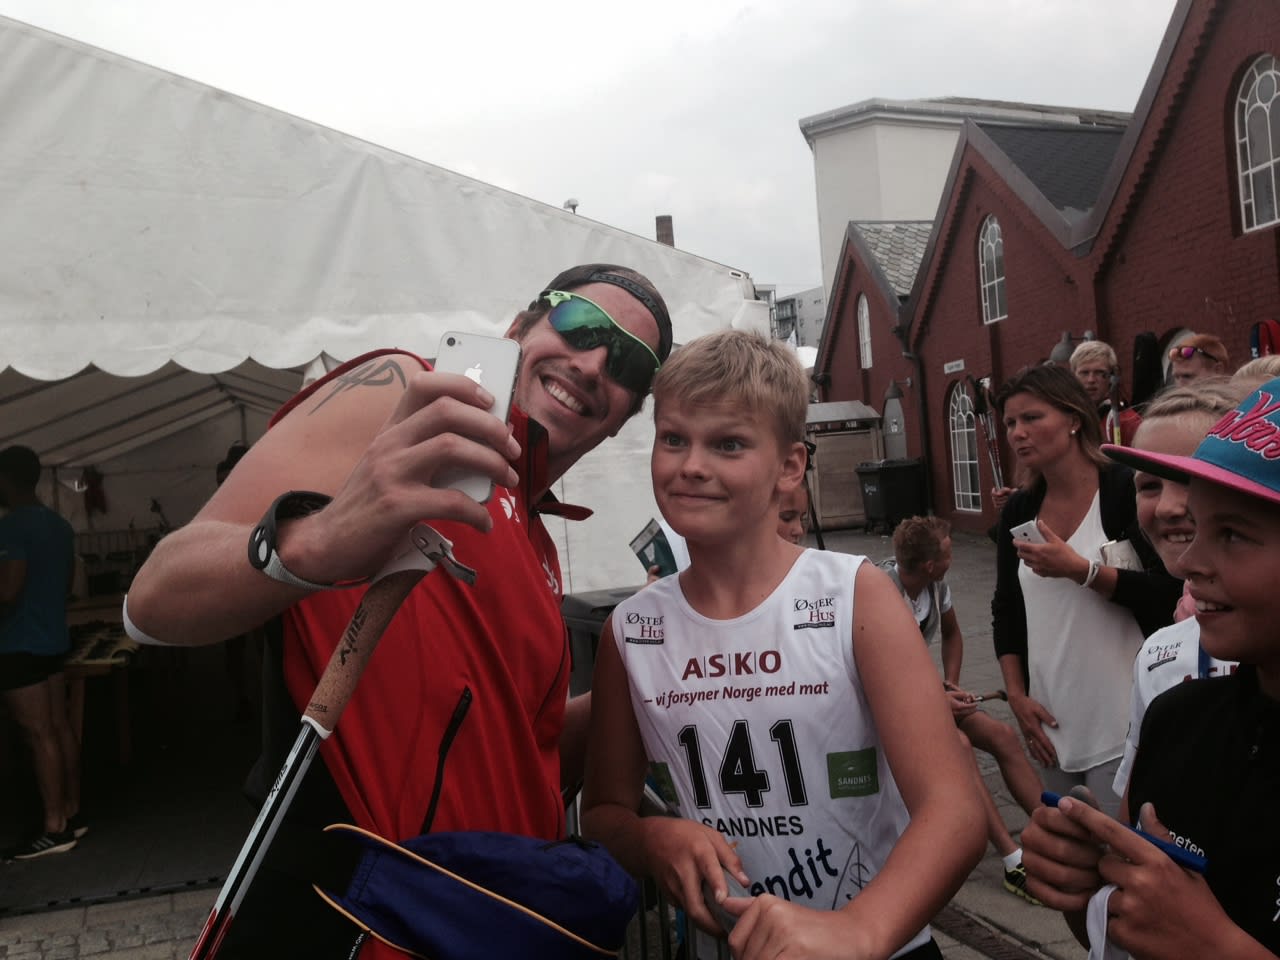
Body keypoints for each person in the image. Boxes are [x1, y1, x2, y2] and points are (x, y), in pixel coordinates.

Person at [124, 263, 672, 958]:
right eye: (579, 324)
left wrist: (648, 668)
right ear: (518, 328)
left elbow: (520, 758)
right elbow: (154, 598)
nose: (592, 363)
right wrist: (320, 539)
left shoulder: (537, 546)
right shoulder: (407, 398)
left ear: (625, 416)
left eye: (627, 362)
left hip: (488, 925)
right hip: (357, 924)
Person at [582, 330, 985, 960]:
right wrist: (653, 839)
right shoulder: (631, 630)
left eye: (729, 444)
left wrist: (858, 931)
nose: (691, 465)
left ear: (790, 467)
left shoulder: (856, 594)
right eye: (673, 439)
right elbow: (605, 812)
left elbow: (954, 808)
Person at [1021, 375, 1280, 958]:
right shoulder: (1177, 716)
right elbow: (1125, 930)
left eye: (1233, 534)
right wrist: (1090, 881)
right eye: (1201, 526)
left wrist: (1213, 945)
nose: (1187, 562)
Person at [992, 365, 1180, 819]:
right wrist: (1016, 696)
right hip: (1052, 719)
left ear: (1074, 418)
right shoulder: (1020, 508)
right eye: (1011, 423)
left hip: (1124, 715)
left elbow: (1169, 592)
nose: (1018, 433)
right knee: (1072, 850)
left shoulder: (1122, 490)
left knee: (1123, 848)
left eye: (1032, 418)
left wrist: (1084, 572)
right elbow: (1006, 610)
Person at [882, 516, 1044, 902]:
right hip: (886, 708)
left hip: (922, 693)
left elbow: (953, 634)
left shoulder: (935, 585)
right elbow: (879, 674)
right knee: (961, 749)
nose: (952, 556)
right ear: (929, 564)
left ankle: (1053, 832)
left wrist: (950, 685)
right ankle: (1013, 859)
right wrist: (935, 700)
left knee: (1002, 735)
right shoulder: (881, 593)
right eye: (948, 552)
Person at [1110, 380, 1244, 808]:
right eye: (1149, 486)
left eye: (1190, 478)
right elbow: (1136, 801)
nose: (1168, 507)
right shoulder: (1158, 653)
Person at [0, 445, 82, 861]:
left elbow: (9, 591)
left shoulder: (11, 529)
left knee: (38, 734)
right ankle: (70, 810)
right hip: (53, 639)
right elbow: (67, 585)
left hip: (19, 643)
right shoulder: (59, 525)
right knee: (58, 727)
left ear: (6, 480)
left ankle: (53, 827)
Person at [1069, 340, 1142, 446]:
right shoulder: (1065, 419)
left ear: (1112, 377)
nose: (1091, 380)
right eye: (1084, 373)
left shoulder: (1127, 422)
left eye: (1099, 372)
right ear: (1073, 377)